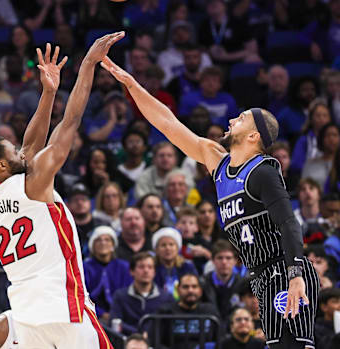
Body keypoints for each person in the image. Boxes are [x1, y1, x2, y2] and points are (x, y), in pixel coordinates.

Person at [102, 54, 318, 348]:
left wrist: (295, 276)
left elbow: (288, 222)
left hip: (284, 270)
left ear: (254, 136)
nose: (231, 119)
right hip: (261, 275)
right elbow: (167, 123)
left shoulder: (263, 171)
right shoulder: (217, 162)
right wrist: (131, 84)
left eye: (241, 119)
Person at [0, 33, 123, 348]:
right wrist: (88, 64)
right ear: (2, 166)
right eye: (11, 152)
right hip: (64, 307)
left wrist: (49, 92)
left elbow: (29, 145)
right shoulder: (34, 183)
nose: (20, 152)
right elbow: (70, 122)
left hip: (27, 315)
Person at [110, 252, 174, 335]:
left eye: (150, 267)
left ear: (154, 272)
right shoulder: (120, 296)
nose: (146, 271)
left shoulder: (166, 297)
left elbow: (169, 326)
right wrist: (138, 335)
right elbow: (115, 322)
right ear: (132, 271)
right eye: (141, 267)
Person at [155, 273, 221, 349]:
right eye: (185, 287)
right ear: (178, 290)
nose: (190, 290)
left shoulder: (210, 311)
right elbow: (156, 342)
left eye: (194, 286)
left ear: (200, 291)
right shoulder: (165, 311)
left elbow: (219, 339)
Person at [82, 226, 132, 319]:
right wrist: (100, 313)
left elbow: (128, 293)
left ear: (113, 245)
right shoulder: (85, 267)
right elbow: (83, 296)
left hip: (122, 315)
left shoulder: (124, 267)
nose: (103, 243)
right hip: (93, 316)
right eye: (98, 240)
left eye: (107, 240)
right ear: (92, 245)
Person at [203, 240, 244, 319]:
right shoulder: (203, 283)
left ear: (235, 261)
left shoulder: (243, 284)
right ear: (212, 260)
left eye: (228, 258)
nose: (224, 262)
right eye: (220, 258)